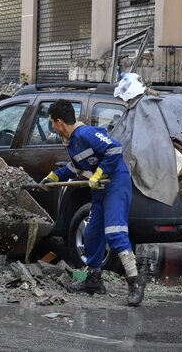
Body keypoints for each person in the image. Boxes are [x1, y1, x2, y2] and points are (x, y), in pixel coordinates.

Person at [41, 99, 146, 307]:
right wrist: (54, 176)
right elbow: (75, 167)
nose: (52, 127)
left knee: (115, 232)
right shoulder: (72, 142)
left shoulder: (85, 134)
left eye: (52, 122)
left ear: (60, 122)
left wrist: (100, 173)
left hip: (115, 183)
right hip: (99, 188)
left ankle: (135, 282)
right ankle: (94, 280)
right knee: (92, 232)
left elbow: (115, 149)